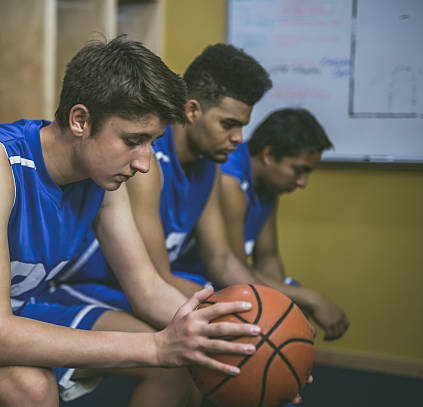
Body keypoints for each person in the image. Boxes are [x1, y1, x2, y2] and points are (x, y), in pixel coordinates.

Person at [0, 37, 262, 407]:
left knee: (173, 367)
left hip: (19, 313)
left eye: (152, 143)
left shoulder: (102, 179)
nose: (143, 162)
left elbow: (148, 288)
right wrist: (155, 346)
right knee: (29, 387)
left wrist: (242, 343)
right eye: (133, 140)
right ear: (81, 120)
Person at [52, 43, 271, 322]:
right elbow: (157, 278)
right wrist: (242, 319)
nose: (239, 139)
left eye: (242, 127)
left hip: (138, 284)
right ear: (192, 111)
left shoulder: (208, 166)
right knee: (186, 352)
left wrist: (269, 308)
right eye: (229, 125)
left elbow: (221, 258)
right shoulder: (141, 165)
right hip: (94, 283)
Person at [215, 108, 350, 340]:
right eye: (299, 170)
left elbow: (267, 256)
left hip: (234, 275)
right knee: (298, 302)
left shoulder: (268, 184)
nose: (302, 183)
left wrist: (286, 306)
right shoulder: (230, 178)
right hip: (205, 276)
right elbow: (233, 269)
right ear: (269, 155)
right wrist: (311, 297)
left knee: (292, 309)